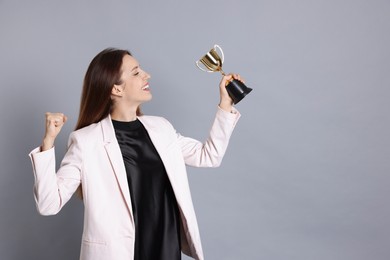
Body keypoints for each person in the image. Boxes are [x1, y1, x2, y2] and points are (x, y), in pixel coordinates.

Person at [28, 48, 241, 260]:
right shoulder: (86, 141)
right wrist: (48, 143)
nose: (146, 75)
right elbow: (48, 204)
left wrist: (225, 103)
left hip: (165, 248)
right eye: (136, 72)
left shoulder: (161, 128)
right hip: (118, 253)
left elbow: (209, 155)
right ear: (116, 89)